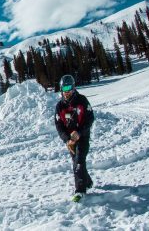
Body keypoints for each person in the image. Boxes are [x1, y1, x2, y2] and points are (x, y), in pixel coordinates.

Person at [54, 74, 95, 202]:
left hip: (82, 137)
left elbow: (90, 118)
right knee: (76, 162)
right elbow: (59, 125)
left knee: (79, 162)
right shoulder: (60, 106)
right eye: (64, 89)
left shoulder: (82, 100)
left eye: (69, 88)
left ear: (73, 88)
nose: (67, 92)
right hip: (70, 141)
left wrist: (80, 132)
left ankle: (80, 191)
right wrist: (67, 139)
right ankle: (87, 182)